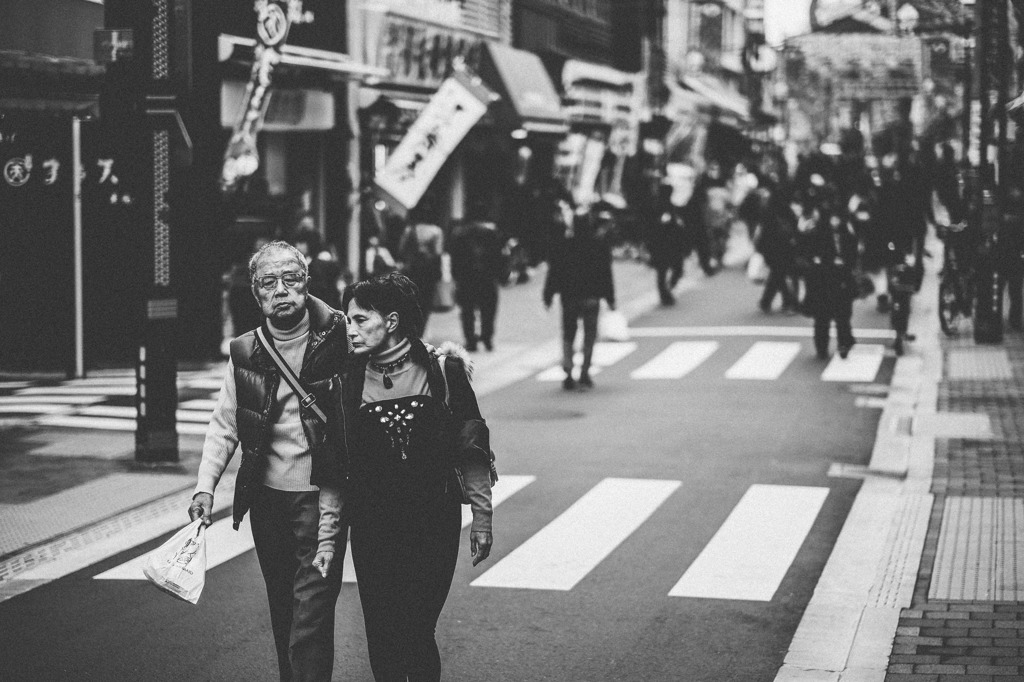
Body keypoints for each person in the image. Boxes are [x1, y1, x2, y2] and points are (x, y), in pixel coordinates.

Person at [189, 241, 349, 682]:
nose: (281, 290)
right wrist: (206, 486)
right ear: (256, 294)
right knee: (284, 606)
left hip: (323, 500)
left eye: (291, 279)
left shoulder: (340, 333)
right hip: (267, 500)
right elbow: (225, 422)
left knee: (311, 614)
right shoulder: (245, 350)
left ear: (307, 283)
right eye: (268, 282)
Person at [335, 272, 494, 682]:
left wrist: (482, 518)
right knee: (383, 634)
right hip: (372, 528)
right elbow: (336, 460)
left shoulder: (443, 371)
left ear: (391, 321)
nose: (349, 330)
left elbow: (471, 446)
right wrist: (327, 532)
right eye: (346, 320)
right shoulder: (348, 381)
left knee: (417, 628)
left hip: (433, 523)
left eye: (359, 319)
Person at [544, 203, 617, 390]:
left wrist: (549, 293)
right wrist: (610, 297)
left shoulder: (564, 245)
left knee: (569, 333)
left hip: (569, 296)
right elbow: (606, 273)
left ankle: (568, 371)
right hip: (592, 296)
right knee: (589, 335)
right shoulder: (598, 245)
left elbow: (555, 271)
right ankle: (585, 371)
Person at [795, 190, 860, 359]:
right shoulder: (817, 232)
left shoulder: (847, 232)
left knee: (842, 314)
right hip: (822, 277)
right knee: (823, 317)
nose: (835, 221)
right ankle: (822, 347)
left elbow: (853, 253)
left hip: (840, 276)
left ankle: (844, 343)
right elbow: (805, 251)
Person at [448, 217, 505, 351]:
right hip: (488, 278)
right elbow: (499, 256)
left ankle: (471, 340)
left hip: (467, 277)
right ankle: (487, 338)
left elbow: (455, 258)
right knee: (488, 310)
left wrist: (456, 276)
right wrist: (499, 275)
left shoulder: (460, 234)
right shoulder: (492, 233)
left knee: (467, 310)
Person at [398, 203, 445, 330]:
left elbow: (401, 249)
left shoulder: (409, 230)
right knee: (426, 300)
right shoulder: (436, 231)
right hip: (429, 270)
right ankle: (421, 328)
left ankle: (411, 326)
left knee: (412, 298)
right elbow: (438, 253)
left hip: (411, 269)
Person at [755, 186, 799, 313]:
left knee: (777, 274)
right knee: (779, 274)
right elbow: (794, 227)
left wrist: (760, 248)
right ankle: (784, 301)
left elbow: (763, 231)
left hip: (769, 248)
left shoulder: (767, 210)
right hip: (784, 247)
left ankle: (769, 301)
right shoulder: (787, 210)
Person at [646, 184, 688, 306]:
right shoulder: (660, 207)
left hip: (669, 245)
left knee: (671, 271)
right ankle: (665, 295)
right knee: (664, 271)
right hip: (664, 245)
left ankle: (667, 291)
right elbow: (659, 226)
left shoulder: (669, 206)